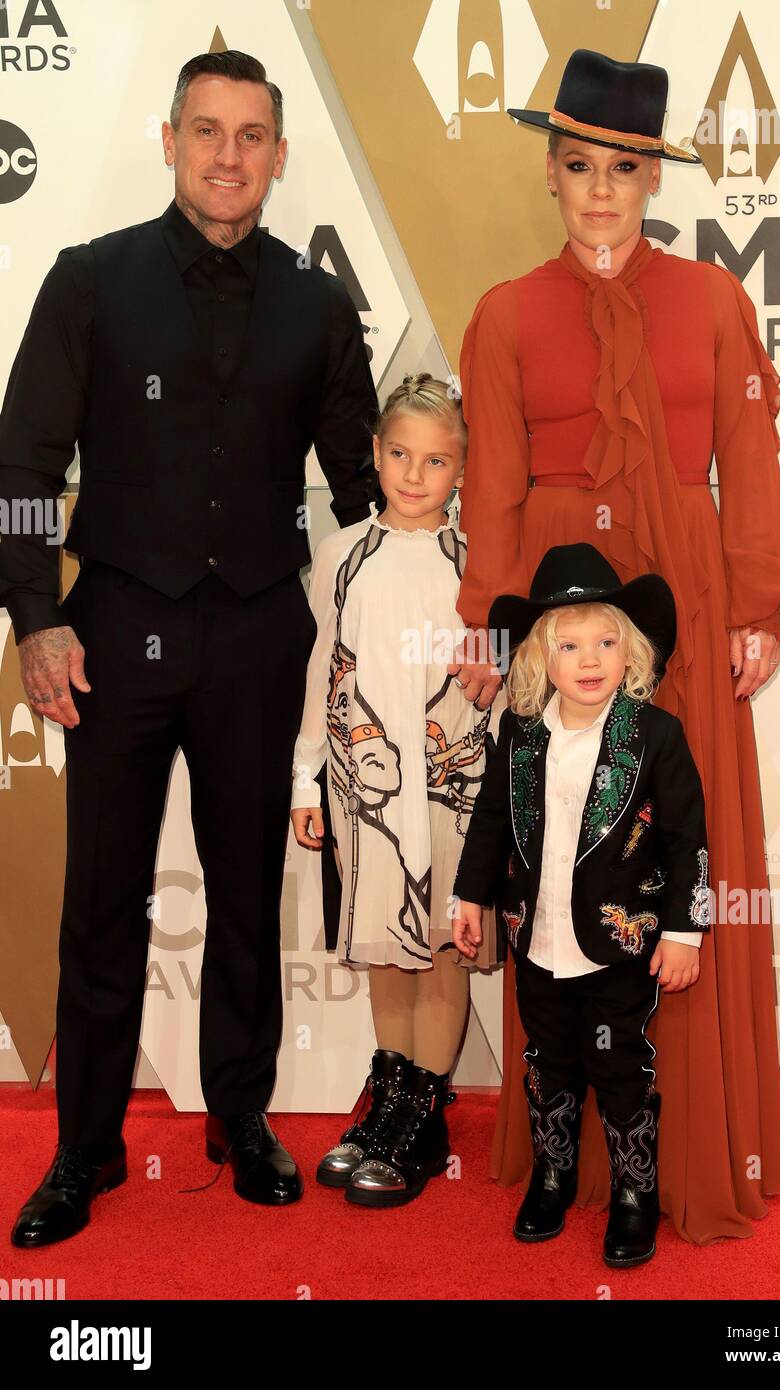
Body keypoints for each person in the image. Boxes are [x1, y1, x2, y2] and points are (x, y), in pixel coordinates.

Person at [1, 50, 381, 1249]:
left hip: (261, 634)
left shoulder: (322, 307)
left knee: (243, 899)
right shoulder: (89, 282)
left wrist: (451, 591)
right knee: (100, 900)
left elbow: (368, 491)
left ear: (275, 154)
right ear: (170, 141)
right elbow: (19, 472)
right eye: (206, 130)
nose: (228, 154)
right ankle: (85, 1147)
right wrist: (34, 616)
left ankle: (241, 1119)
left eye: (251, 134)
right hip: (110, 631)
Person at [446, 49, 780, 1243]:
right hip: (561, 617)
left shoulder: (714, 299)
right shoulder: (502, 312)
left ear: (651, 176)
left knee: (672, 833)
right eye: (578, 165)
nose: (600, 190)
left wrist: (756, 603)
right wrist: (494, 629)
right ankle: (570, 1159)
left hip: (686, 606)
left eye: (623, 168)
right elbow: (494, 488)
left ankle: (687, 1145)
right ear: (549, 173)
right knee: (561, 848)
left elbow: (747, 465)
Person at [452, 543, 709, 1265]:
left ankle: (634, 1194)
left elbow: (689, 837)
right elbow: (492, 820)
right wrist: (470, 896)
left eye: (606, 642)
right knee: (548, 1060)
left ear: (630, 654)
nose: (590, 658)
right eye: (569, 644)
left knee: (621, 1066)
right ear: (540, 658)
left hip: (620, 947)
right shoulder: (521, 734)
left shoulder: (655, 735)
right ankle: (554, 1174)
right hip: (536, 941)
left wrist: (687, 930)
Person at [291, 373, 506, 1207]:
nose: (416, 475)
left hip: (455, 793)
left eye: (438, 461)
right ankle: (389, 1104)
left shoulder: (477, 564)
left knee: (445, 946)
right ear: (375, 455)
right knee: (386, 949)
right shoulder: (340, 554)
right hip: (363, 796)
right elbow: (321, 673)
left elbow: (492, 689)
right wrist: (304, 779)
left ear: (462, 470)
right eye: (401, 455)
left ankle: (424, 1116)